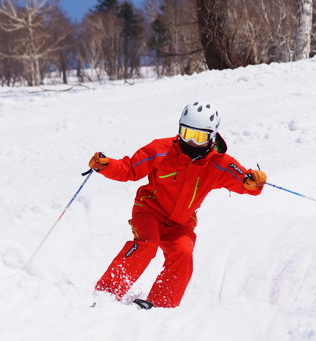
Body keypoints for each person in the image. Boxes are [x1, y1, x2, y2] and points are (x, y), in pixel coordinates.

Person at [88, 101, 267, 309]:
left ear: (211, 136)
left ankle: (161, 304)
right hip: (149, 212)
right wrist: (107, 166)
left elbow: (244, 181)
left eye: (198, 137)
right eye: (186, 132)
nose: (190, 141)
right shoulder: (161, 149)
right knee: (147, 243)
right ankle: (107, 292)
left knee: (183, 252)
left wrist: (254, 182)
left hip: (181, 224)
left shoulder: (219, 163)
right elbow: (129, 169)